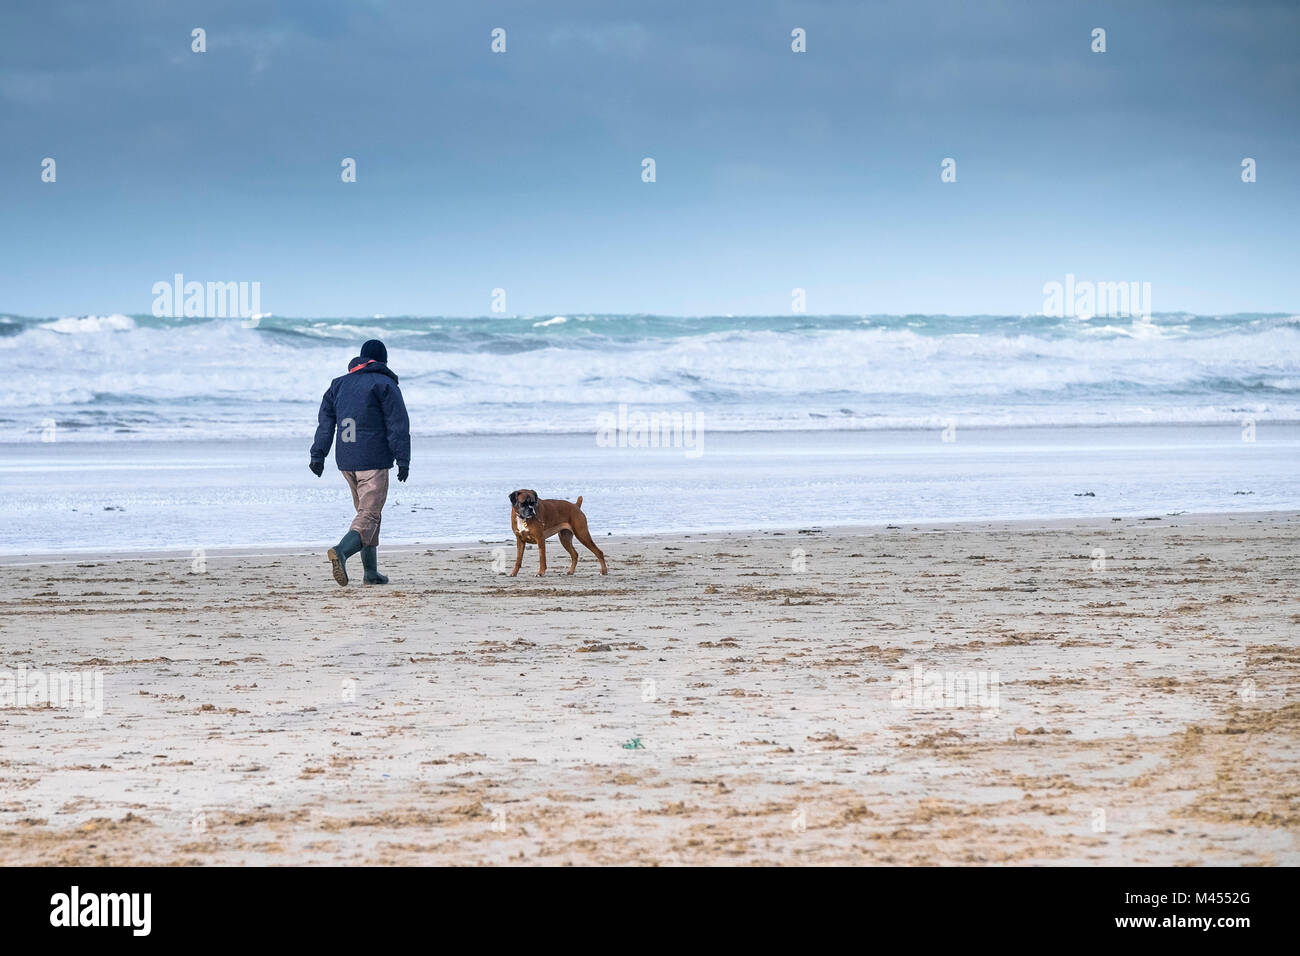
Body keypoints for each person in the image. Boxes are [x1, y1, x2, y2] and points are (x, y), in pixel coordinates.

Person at [309, 339, 410, 586]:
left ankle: (370, 572)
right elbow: (398, 425)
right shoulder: (384, 384)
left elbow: (326, 424)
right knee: (370, 514)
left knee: (366, 513)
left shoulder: (338, 384)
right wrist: (403, 459)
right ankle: (341, 551)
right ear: (382, 361)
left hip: (346, 460)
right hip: (372, 459)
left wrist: (318, 454)